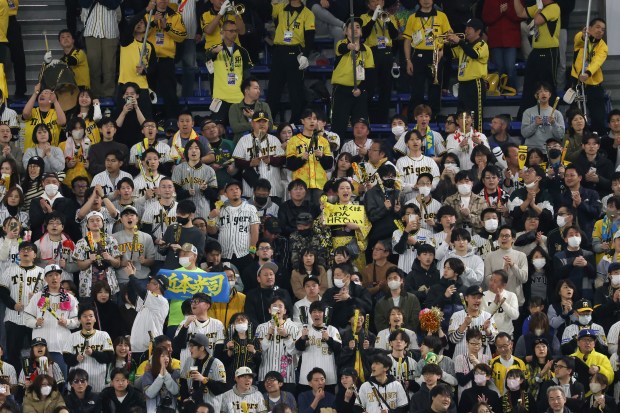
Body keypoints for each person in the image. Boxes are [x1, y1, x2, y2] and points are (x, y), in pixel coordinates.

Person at [402, 0, 452, 120]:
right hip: (418, 55)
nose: (426, 1)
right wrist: (408, 60)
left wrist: (442, 50)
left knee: (435, 87)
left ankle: (433, 115)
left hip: (436, 54)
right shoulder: (412, 17)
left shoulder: (441, 16)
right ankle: (414, 116)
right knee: (417, 89)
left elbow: (449, 36)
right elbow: (407, 40)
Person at [266, 0, 315, 123]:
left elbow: (310, 37)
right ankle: (268, 120)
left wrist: (305, 55)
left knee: (296, 90)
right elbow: (267, 12)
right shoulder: (281, 7)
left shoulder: (308, 13)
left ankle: (295, 121)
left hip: (296, 51)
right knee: (274, 89)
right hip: (279, 51)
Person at [0, 241, 44, 374]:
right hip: (14, 318)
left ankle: (36, 381)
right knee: (13, 353)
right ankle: (16, 384)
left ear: (34, 254)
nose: (26, 251)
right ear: (19, 253)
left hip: (35, 319)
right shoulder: (10, 270)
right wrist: (13, 305)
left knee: (37, 353)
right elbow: (2, 292)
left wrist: (37, 298)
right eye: (23, 249)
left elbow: (48, 296)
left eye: (29, 249)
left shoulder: (42, 272)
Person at [513, 0, 561, 119]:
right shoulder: (539, 7)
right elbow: (520, 13)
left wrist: (538, 8)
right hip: (536, 51)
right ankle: (524, 116)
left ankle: (553, 115)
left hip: (549, 51)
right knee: (529, 84)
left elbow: (538, 20)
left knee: (549, 85)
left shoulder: (554, 7)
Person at [330, 20, 375, 139]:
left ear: (361, 31)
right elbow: (341, 48)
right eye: (351, 27)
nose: (355, 29)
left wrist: (361, 89)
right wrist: (350, 46)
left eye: (358, 27)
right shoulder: (341, 43)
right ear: (345, 31)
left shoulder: (367, 50)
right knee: (338, 126)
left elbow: (370, 75)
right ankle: (335, 154)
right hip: (341, 91)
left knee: (361, 125)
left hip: (359, 92)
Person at [144, 0, 186, 118]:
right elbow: (140, 35)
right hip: (149, 59)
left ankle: (172, 122)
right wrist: (153, 23)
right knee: (148, 93)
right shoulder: (147, 14)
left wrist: (166, 27)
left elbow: (182, 36)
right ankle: (149, 121)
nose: (162, 1)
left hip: (166, 59)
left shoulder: (175, 16)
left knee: (170, 93)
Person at [205, 20, 253, 125]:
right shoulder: (215, 50)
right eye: (231, 31)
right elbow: (207, 57)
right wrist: (214, 52)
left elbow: (247, 76)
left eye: (235, 31)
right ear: (223, 32)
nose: (234, 34)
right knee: (217, 130)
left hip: (239, 99)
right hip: (220, 99)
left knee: (241, 129)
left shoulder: (242, 51)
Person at [445, 18, 489, 132]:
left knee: (474, 115)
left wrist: (459, 41)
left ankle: (478, 140)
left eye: (469, 28)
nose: (466, 30)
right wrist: (447, 42)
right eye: (466, 27)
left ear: (478, 31)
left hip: (475, 84)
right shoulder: (464, 45)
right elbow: (450, 54)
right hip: (463, 84)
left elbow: (474, 54)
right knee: (461, 114)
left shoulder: (482, 44)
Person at [207, 181, 260, 271]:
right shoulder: (220, 209)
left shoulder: (251, 208)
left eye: (237, 189)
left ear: (241, 192)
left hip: (245, 254)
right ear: (225, 194)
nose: (235, 191)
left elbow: (255, 231)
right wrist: (211, 218)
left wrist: (252, 251)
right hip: (224, 254)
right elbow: (212, 231)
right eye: (231, 189)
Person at [285, 109, 334, 204]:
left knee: (320, 213)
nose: (312, 121)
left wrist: (322, 157)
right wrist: (301, 159)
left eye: (315, 119)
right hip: (301, 185)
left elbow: (329, 165)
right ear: (302, 121)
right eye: (309, 118)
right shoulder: (293, 140)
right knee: (303, 213)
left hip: (320, 184)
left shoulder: (323, 141)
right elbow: (290, 165)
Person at [62, 305, 114, 393]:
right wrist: (75, 358)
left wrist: (93, 353)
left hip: (99, 383)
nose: (88, 318)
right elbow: (66, 358)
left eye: (91, 316)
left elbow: (109, 357)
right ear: (79, 319)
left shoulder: (104, 335)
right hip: (77, 384)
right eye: (84, 316)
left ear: (95, 319)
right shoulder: (72, 336)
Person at [569, 18, 608, 136]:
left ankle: (598, 143)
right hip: (578, 84)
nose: (600, 31)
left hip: (594, 86)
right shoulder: (582, 39)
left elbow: (597, 62)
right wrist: (583, 35)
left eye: (603, 29)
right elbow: (578, 40)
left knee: (598, 118)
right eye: (597, 27)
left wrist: (587, 73)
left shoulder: (603, 47)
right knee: (575, 117)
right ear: (590, 28)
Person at [127, 262, 169, 364]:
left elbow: (141, 291)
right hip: (137, 348)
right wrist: (131, 277)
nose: (147, 284)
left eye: (150, 282)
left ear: (157, 286)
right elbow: (132, 295)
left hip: (150, 348)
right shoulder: (149, 300)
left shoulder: (160, 301)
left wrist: (132, 275)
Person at [173, 291, 225, 369]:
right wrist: (185, 326)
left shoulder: (217, 324)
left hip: (209, 368)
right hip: (187, 368)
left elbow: (219, 350)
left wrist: (213, 367)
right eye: (192, 302)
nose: (193, 304)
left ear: (207, 305)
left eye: (197, 301)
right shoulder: (184, 323)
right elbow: (177, 346)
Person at [179, 334, 228, 413]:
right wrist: (184, 398)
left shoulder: (217, 364)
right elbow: (183, 381)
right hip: (192, 407)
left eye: (192, 346)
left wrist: (204, 379)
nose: (189, 349)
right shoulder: (189, 361)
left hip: (209, 407)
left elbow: (221, 388)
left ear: (201, 348)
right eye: (189, 346)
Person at [483, 226, 528, 309]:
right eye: (501, 236)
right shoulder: (490, 256)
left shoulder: (521, 256)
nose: (504, 238)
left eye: (507, 236)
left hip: (515, 301)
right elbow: (486, 280)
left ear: (513, 239)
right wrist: (502, 273)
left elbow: (524, 278)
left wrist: (513, 266)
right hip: (495, 300)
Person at [520, 82, 565, 151]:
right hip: (532, 151)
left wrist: (554, 123)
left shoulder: (557, 113)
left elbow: (561, 135)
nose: (543, 93)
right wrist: (535, 124)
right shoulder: (528, 112)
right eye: (540, 91)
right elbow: (524, 134)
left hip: (550, 151)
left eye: (546, 91)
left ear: (550, 94)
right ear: (536, 95)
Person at [374, 268, 420, 332]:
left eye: (395, 278)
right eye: (389, 278)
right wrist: (391, 333)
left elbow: (415, 320)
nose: (392, 280)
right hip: (388, 337)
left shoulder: (412, 298)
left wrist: (404, 333)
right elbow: (380, 323)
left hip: (408, 336)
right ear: (387, 282)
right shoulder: (381, 302)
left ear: (401, 280)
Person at [21, 85, 67, 150]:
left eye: (46, 93)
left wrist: (55, 101)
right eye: (41, 93)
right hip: (32, 153)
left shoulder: (56, 113)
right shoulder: (33, 111)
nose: (42, 94)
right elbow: (25, 114)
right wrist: (35, 93)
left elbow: (62, 122)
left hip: (51, 154)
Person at [229, 77, 273, 142]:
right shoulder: (235, 107)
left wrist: (253, 117)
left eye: (259, 89)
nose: (259, 91)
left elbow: (270, 126)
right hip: (242, 143)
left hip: (262, 142)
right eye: (255, 88)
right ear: (246, 90)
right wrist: (257, 123)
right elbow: (235, 128)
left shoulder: (264, 106)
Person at [141, 346, 180, 413]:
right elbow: (149, 394)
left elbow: (176, 391)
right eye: (162, 356)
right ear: (156, 358)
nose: (166, 358)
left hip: (172, 410)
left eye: (167, 356)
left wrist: (166, 375)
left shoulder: (174, 373)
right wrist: (161, 376)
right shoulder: (148, 374)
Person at [480, 270, 519, 338]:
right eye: (491, 280)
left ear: (504, 285)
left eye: (495, 281)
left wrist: (502, 302)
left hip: (506, 336)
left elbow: (515, 316)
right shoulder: (483, 296)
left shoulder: (511, 295)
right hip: (489, 335)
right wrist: (495, 303)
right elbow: (482, 317)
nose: (491, 283)